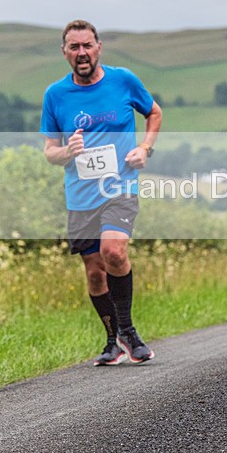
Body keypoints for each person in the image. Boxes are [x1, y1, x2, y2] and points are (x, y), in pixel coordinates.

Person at [40, 20, 163, 366]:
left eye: (87, 45)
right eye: (74, 47)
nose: (82, 53)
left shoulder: (123, 80)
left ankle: (128, 330)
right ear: (64, 52)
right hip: (80, 196)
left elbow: (154, 113)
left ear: (98, 48)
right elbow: (50, 152)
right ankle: (113, 341)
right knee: (95, 272)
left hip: (119, 187)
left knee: (113, 252)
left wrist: (145, 149)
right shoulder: (55, 95)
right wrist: (67, 151)